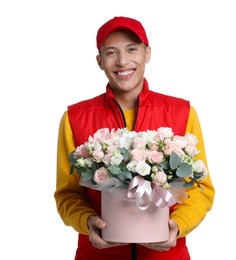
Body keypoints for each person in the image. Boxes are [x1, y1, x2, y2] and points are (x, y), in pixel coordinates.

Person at [54, 16, 215, 260]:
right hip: (97, 254)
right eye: (111, 52)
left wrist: (179, 224)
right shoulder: (75, 117)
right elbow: (68, 193)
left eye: (132, 49)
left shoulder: (182, 113)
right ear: (99, 61)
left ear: (147, 53)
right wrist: (87, 222)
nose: (122, 61)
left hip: (166, 255)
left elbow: (200, 188)